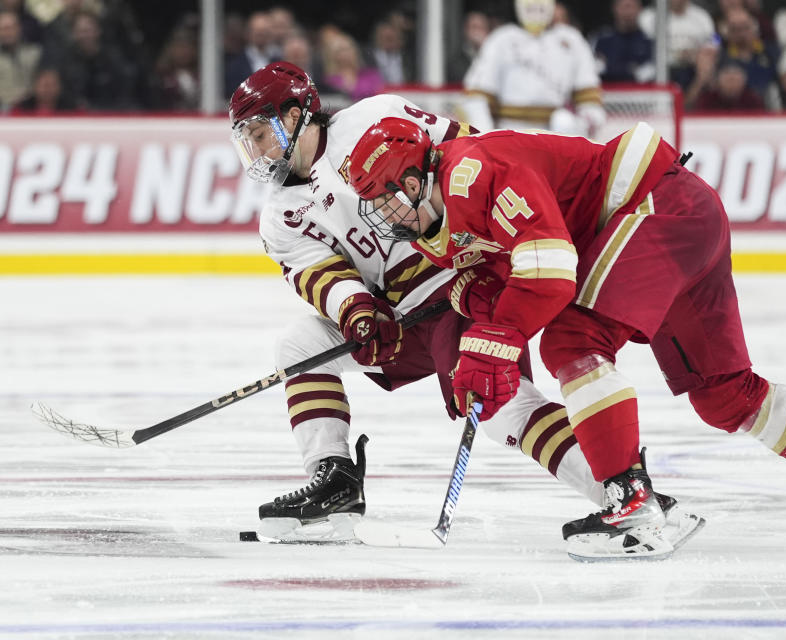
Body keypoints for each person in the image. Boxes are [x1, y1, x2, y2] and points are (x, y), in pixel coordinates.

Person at [345, 116, 786, 560]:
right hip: (678, 214)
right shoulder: (433, 216)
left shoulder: (473, 173)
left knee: (572, 342)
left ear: (413, 178)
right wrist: (474, 302)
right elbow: (509, 265)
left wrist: (495, 335)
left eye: (385, 201)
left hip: (654, 208)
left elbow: (551, 271)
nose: (386, 219)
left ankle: (631, 503)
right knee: (724, 394)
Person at [228, 62, 699, 545]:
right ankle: (335, 481)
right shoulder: (278, 219)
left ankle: (624, 494)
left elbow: (466, 158)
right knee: (299, 345)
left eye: (261, 134)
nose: (257, 151)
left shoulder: (374, 118)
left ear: (292, 117)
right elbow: (319, 274)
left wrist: (492, 258)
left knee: (494, 405)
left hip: (463, 283)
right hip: (398, 318)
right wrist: (357, 313)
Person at [460, 0, 605, 137]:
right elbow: (475, 98)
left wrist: (581, 126)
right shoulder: (501, 40)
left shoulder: (571, 40)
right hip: (508, 135)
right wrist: (487, 137)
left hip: (556, 138)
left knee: (563, 120)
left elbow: (590, 101)